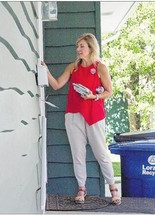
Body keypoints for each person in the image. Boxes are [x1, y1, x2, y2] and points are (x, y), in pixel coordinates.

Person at [42, 33, 121, 205]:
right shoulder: (73, 67)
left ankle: (113, 188)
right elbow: (56, 85)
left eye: (82, 46)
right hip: (73, 114)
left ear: (91, 48)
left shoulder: (101, 67)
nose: (78, 49)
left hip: (94, 115)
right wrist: (45, 70)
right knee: (78, 153)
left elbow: (109, 91)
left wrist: (94, 96)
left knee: (101, 152)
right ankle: (81, 188)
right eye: (77, 46)